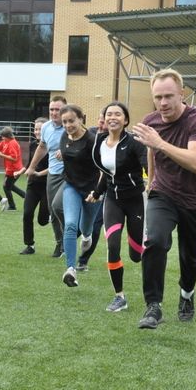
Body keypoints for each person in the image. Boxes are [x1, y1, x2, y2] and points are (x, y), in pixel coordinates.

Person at [131, 68, 196, 330]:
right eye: (158, 97)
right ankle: (153, 306)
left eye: (168, 96)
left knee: (191, 258)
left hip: (195, 202)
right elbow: (152, 154)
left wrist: (160, 143)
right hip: (163, 195)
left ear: (182, 94)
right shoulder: (151, 121)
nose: (163, 103)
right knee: (154, 241)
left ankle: (187, 293)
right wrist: (151, 182)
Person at [89, 101, 148, 312]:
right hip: (112, 201)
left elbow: (146, 164)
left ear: (125, 120)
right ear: (104, 120)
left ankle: (144, 241)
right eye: (109, 114)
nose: (112, 117)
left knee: (136, 255)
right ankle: (119, 296)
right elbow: (106, 173)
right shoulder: (100, 143)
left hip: (135, 201)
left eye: (117, 114)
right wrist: (96, 193)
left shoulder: (134, 142)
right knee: (112, 245)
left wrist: (154, 181)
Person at [58, 104, 102, 288]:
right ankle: (70, 269)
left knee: (86, 228)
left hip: (92, 192)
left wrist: (98, 191)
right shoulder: (63, 136)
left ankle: (87, 235)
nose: (68, 125)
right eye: (65, 122)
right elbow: (68, 151)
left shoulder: (92, 141)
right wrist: (63, 154)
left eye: (71, 121)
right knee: (69, 225)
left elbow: (103, 169)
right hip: (71, 186)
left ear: (81, 119)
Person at [24, 96, 67, 258]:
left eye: (58, 109)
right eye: (52, 109)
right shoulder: (46, 127)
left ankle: (73, 231)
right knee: (53, 211)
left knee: (56, 206)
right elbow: (42, 147)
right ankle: (60, 244)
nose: (54, 112)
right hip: (53, 175)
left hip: (70, 174)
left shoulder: (70, 125)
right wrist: (32, 167)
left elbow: (81, 144)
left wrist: (66, 151)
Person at [77, 109, 107, 271]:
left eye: (105, 120)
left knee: (95, 225)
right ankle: (65, 244)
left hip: (105, 188)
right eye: (100, 119)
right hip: (88, 186)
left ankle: (83, 260)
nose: (102, 123)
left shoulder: (115, 138)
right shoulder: (90, 134)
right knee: (79, 222)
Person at [15, 117, 50, 255]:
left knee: (42, 220)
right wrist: (21, 171)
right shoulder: (32, 145)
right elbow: (30, 164)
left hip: (47, 185)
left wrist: (39, 173)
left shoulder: (52, 145)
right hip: (32, 185)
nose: (37, 132)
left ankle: (54, 218)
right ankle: (30, 245)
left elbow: (55, 167)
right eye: (35, 129)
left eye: (40, 129)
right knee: (27, 214)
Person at [0, 127, 26, 211]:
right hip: (11, 169)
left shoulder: (12, 143)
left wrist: (1, 155)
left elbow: (14, 158)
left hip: (14, 169)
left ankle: (12, 206)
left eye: (3, 136)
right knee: (10, 186)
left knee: (6, 187)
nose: (2, 138)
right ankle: (25, 196)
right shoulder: (6, 142)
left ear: (8, 136)